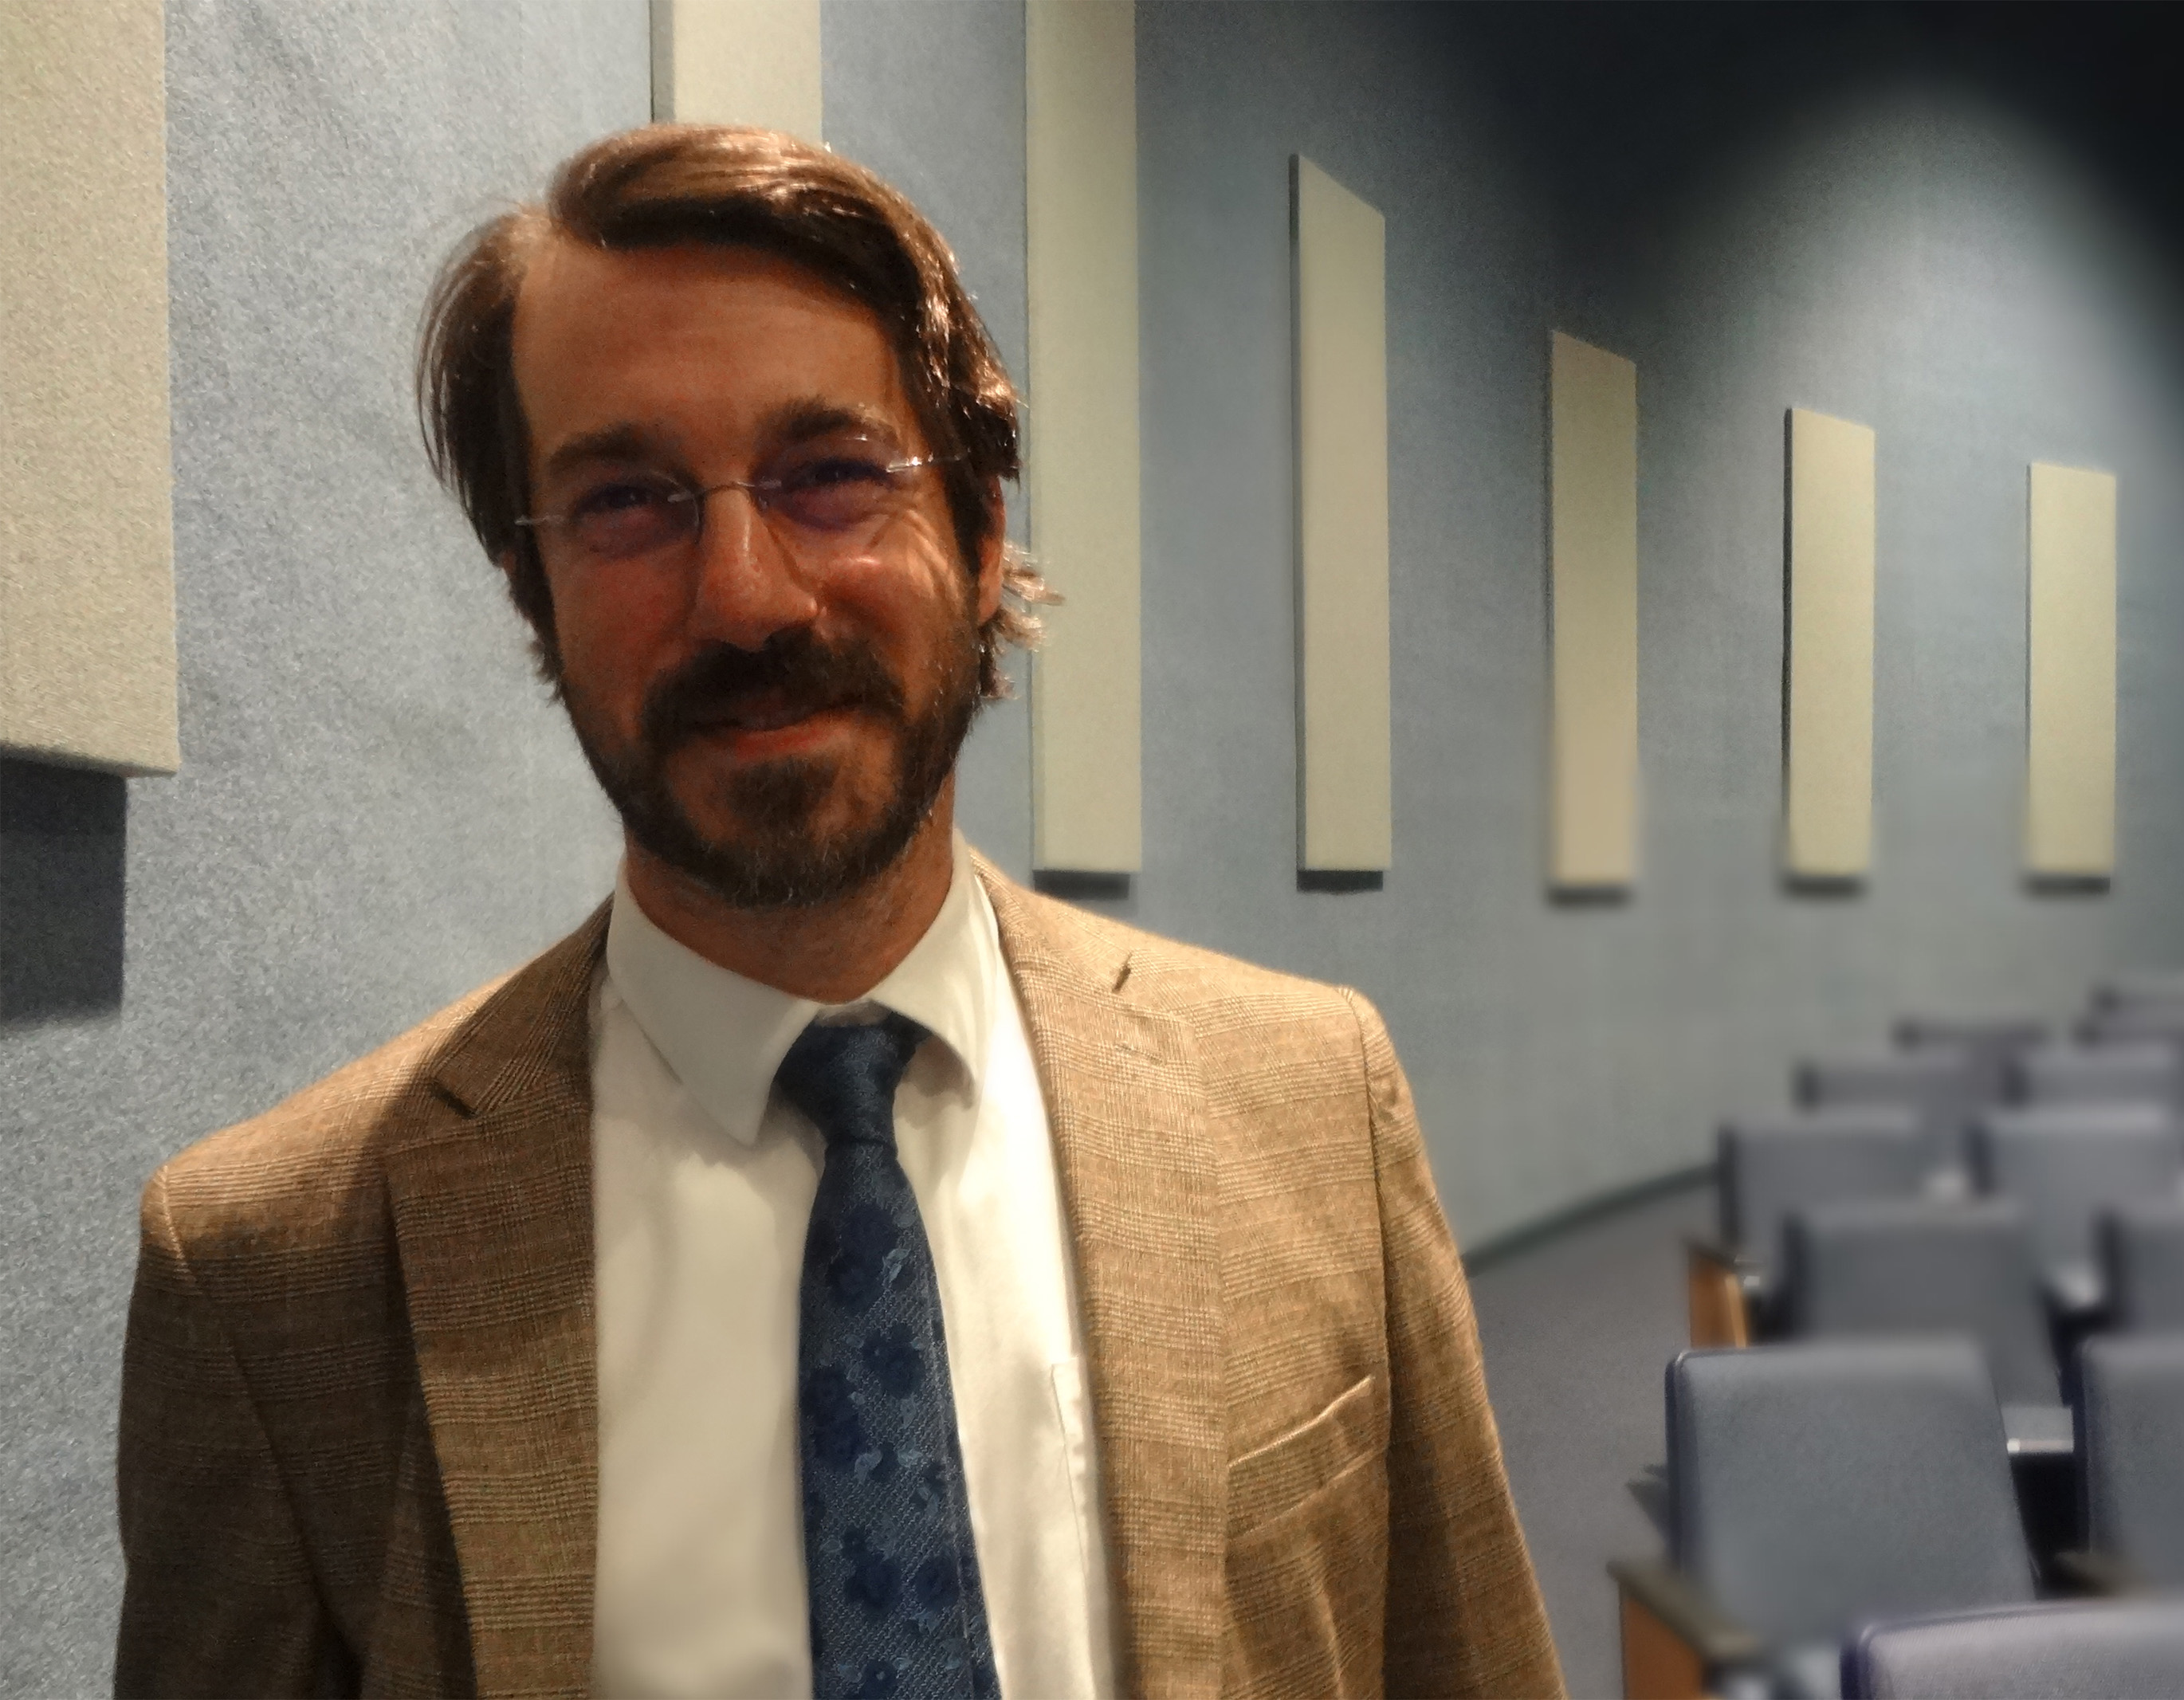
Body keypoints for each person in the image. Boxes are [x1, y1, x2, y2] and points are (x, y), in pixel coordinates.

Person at [114, 124, 1562, 1700]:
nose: (745, 595)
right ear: (537, 593)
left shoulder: (1311, 1105)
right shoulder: (272, 1272)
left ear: (982, 533)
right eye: (626, 502)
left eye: (831, 475)